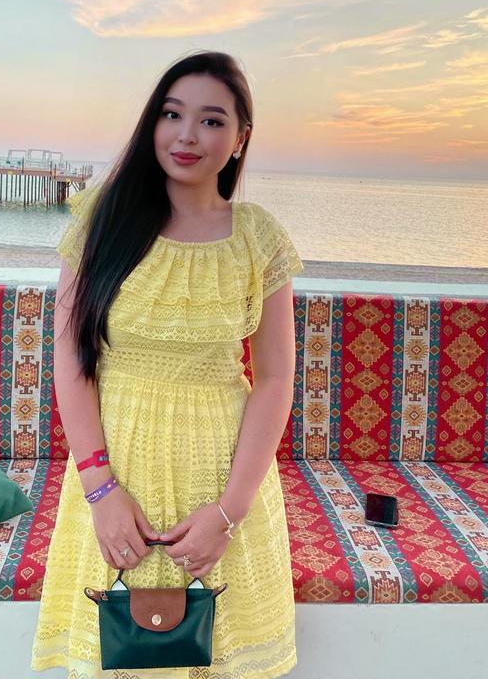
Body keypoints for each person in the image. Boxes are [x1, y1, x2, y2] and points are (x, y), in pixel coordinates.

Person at [30, 51, 304, 679]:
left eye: (212, 121)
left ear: (240, 139)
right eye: (172, 114)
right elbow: (72, 362)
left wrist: (228, 513)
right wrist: (101, 492)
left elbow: (274, 379)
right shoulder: (100, 221)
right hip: (114, 475)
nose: (187, 135)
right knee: (113, 658)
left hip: (222, 482)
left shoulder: (258, 238)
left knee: (222, 659)